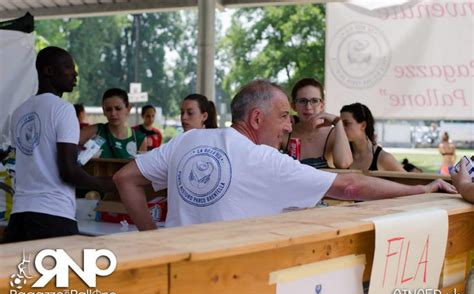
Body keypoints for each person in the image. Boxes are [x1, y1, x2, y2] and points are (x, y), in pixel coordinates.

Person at [112, 80, 455, 231]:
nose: (289, 127)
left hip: (171, 271)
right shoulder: (264, 160)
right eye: (283, 117)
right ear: (257, 119)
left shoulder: (187, 141)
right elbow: (350, 187)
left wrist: (151, 234)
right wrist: (420, 190)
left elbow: (125, 179)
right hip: (233, 285)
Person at [5, 46, 116, 243]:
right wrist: (108, 184)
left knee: (20, 274)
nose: (74, 73)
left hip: (19, 217)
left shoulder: (19, 112)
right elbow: (68, 172)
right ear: (48, 71)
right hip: (52, 217)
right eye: (67, 67)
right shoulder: (63, 110)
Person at [282, 78, 352, 169]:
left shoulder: (334, 133)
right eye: (302, 101)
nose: (308, 107)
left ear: (322, 105)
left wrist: (337, 122)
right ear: (293, 106)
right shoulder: (286, 133)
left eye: (314, 101)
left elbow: (344, 163)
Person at [80, 88, 147, 159]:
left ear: (128, 108)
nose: (113, 113)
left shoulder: (139, 139)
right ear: (104, 111)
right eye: (108, 109)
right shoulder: (94, 131)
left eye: (118, 108)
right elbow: (69, 148)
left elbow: (142, 169)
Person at [340, 103, 405, 172]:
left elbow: (409, 180)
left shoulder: (383, 158)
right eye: (340, 124)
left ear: (363, 125)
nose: (341, 128)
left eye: (346, 123)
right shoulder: (340, 155)